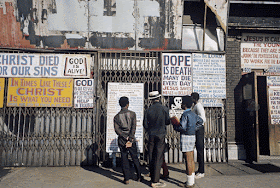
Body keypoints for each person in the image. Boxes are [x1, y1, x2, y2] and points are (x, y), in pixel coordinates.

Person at [172, 95, 203, 188]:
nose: (181, 104)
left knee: (188, 160)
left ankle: (189, 183)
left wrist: (175, 125)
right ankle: (191, 180)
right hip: (192, 136)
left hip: (185, 137)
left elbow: (182, 127)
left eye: (182, 103)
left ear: (185, 104)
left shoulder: (185, 114)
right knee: (191, 159)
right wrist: (193, 128)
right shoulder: (193, 113)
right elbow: (200, 122)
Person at [143, 91, 170, 188]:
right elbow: (168, 122)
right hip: (161, 135)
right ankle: (155, 181)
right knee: (158, 157)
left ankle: (152, 175)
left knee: (151, 155)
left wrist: (151, 129)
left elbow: (145, 125)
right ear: (159, 98)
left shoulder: (148, 110)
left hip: (151, 135)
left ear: (151, 100)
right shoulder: (164, 109)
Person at [114, 96, 142, 184]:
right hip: (131, 140)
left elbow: (117, 130)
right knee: (135, 158)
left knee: (124, 158)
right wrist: (130, 138)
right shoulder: (133, 114)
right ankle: (139, 177)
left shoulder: (117, 117)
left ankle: (126, 179)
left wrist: (124, 136)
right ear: (128, 104)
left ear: (120, 105)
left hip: (122, 140)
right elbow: (133, 127)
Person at [191, 92, 206, 179]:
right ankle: (200, 169)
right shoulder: (196, 106)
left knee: (200, 149)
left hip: (199, 129)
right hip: (198, 129)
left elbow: (203, 119)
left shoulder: (198, 106)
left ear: (194, 98)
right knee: (198, 148)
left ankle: (201, 171)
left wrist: (195, 124)